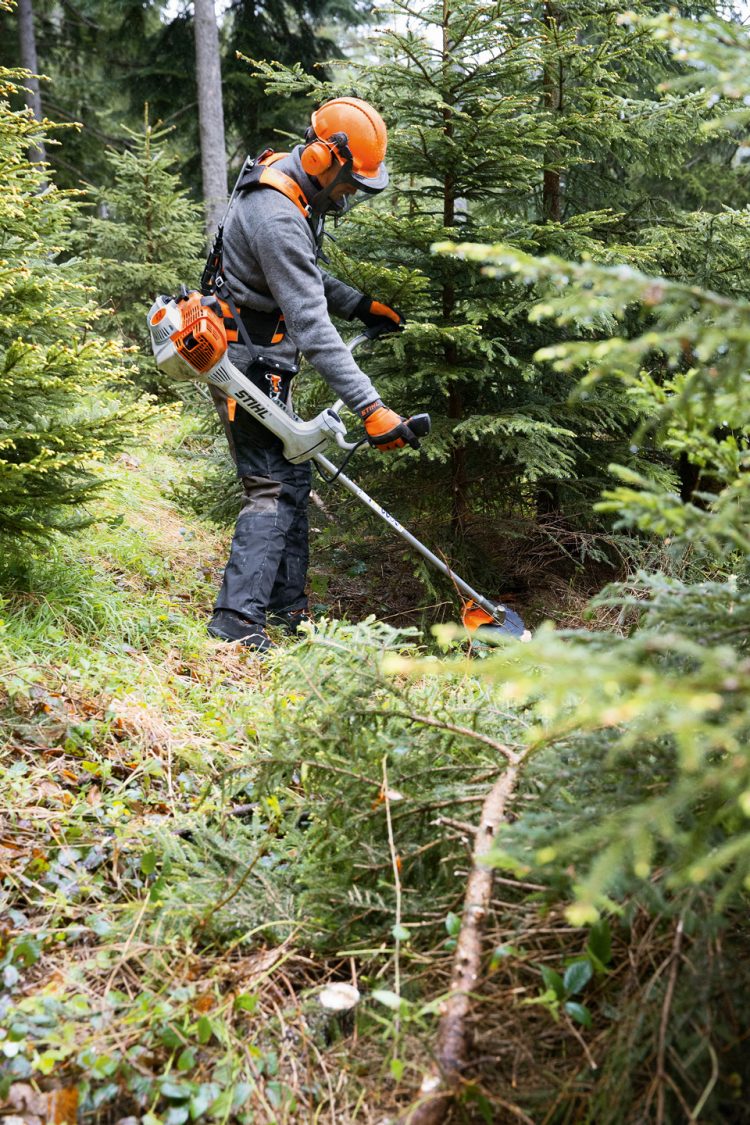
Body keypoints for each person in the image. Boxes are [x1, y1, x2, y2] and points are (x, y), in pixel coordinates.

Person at [205, 97, 420, 653]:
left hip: (261, 352)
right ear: (326, 159)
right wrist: (372, 410)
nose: (350, 196)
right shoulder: (277, 213)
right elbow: (310, 323)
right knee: (271, 484)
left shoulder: (290, 185)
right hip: (243, 359)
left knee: (292, 477)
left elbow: (302, 272)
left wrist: (359, 305)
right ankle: (235, 625)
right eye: (350, 184)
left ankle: (286, 611)